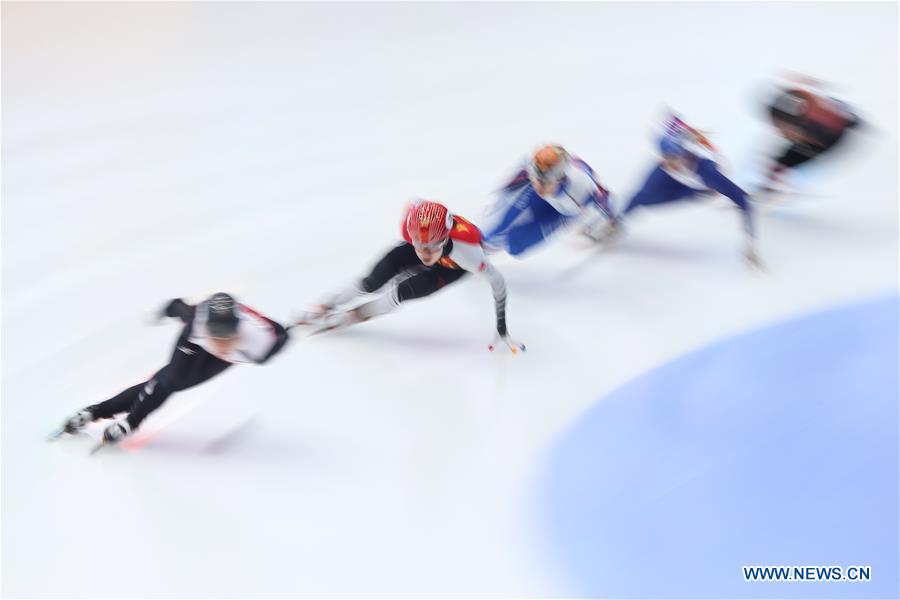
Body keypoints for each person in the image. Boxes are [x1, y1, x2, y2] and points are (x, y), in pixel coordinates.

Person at [57, 293, 290, 446]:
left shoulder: (260, 342)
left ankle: (97, 412)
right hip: (194, 343)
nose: (222, 341)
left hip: (231, 355)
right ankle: (127, 420)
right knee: (171, 380)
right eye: (216, 334)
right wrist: (168, 309)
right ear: (206, 327)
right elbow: (179, 308)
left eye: (228, 334)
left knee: (172, 383)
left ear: (239, 327)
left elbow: (282, 333)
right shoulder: (197, 321)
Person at [297, 200, 524, 352]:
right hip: (424, 245)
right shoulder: (411, 228)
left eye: (432, 246)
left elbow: (498, 283)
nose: (425, 253)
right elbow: (416, 209)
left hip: (452, 267)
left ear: (445, 238)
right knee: (371, 282)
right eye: (419, 245)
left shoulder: (468, 252)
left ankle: (353, 316)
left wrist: (501, 328)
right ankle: (324, 305)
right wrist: (423, 244)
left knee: (400, 293)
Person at [588, 113, 759, 266]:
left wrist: (750, 243)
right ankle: (615, 223)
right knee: (642, 196)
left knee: (648, 196)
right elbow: (672, 125)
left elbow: (745, 202)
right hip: (680, 176)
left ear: (686, 154)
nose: (667, 162)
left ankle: (616, 222)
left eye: (672, 158)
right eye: (665, 157)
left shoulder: (709, 173)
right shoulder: (666, 164)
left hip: (697, 187)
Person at [482, 144, 612, 256]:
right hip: (550, 197)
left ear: (560, 179)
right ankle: (487, 244)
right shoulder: (534, 167)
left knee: (515, 246)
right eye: (536, 179)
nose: (539, 187)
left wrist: (609, 222)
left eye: (545, 182)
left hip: (563, 212)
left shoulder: (581, 185)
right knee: (501, 222)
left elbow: (604, 199)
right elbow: (510, 188)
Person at [760, 85, 860, 193]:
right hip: (821, 137)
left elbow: (790, 135)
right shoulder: (806, 104)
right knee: (788, 157)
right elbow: (788, 134)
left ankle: (772, 181)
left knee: (790, 158)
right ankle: (771, 181)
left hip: (824, 139)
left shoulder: (812, 108)